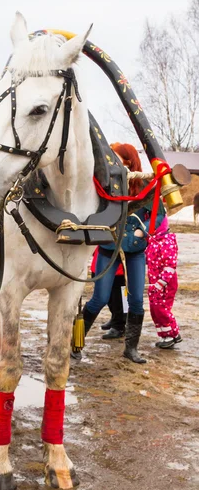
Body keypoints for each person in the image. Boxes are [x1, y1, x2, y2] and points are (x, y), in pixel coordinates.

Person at [81, 143, 165, 364]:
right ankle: (75, 342)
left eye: (116, 157)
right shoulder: (108, 184)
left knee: (136, 300)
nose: (112, 161)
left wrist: (143, 230)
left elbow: (158, 215)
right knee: (99, 298)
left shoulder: (147, 184)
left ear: (128, 161)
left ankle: (131, 349)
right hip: (109, 248)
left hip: (136, 250)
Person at [145, 215, 182, 348]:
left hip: (166, 283)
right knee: (155, 309)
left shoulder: (167, 241)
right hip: (154, 282)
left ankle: (172, 334)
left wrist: (161, 283)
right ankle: (166, 335)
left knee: (162, 309)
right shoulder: (153, 241)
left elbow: (170, 265)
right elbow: (147, 258)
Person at [91, 248, 127, 339]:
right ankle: (115, 317)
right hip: (102, 256)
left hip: (118, 263)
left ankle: (119, 325)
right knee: (107, 297)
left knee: (118, 298)